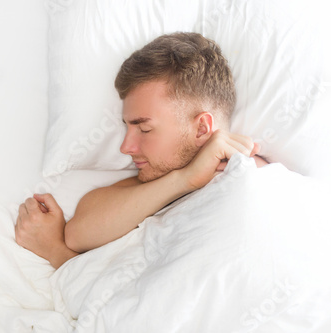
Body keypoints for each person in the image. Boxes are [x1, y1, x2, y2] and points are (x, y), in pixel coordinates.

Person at [14, 32, 268, 269]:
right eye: (127, 127)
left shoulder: (255, 179)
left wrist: (56, 254)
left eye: (144, 129)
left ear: (201, 129)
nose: (126, 147)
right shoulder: (137, 190)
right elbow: (78, 234)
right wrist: (184, 179)